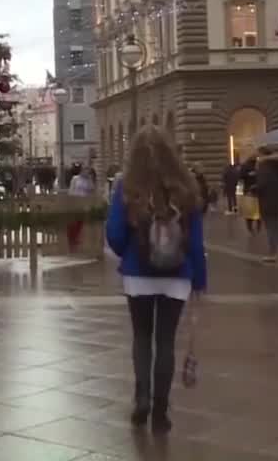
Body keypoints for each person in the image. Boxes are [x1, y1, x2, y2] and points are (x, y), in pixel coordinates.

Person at [105, 127, 207, 435]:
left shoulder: (128, 186)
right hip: (176, 277)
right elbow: (196, 243)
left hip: (139, 276)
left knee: (141, 338)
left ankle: (142, 399)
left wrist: (130, 254)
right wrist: (199, 281)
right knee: (165, 342)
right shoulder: (185, 187)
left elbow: (114, 234)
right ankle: (161, 411)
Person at [254, 147, 278, 263]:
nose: (256, 156)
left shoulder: (264, 167)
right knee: (276, 227)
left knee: (271, 228)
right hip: (277, 201)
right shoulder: (276, 167)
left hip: (267, 201)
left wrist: (254, 189)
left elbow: (262, 184)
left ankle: (272, 253)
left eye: (258, 154)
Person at [239, 155, 260, 235]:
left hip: (257, 190)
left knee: (257, 210)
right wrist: (249, 174)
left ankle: (257, 227)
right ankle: (250, 227)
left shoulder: (258, 165)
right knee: (250, 211)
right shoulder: (245, 166)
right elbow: (241, 176)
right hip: (249, 190)